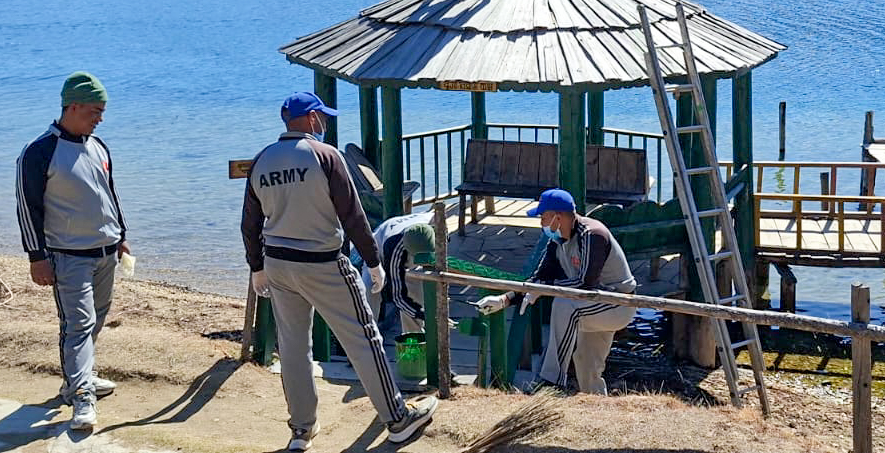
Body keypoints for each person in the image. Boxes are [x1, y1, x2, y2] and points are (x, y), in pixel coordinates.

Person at [241, 92, 437, 452]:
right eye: (323, 116)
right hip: (323, 263)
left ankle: (301, 431)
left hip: (279, 266)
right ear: (312, 118)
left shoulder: (262, 160)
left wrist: (257, 267)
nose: (325, 122)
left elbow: (249, 223)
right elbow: (353, 215)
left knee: (294, 347)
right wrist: (374, 261)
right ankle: (397, 420)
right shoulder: (325, 156)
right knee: (364, 339)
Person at [16, 71, 130, 431]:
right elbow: (26, 207)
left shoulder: (99, 146)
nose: (100, 117)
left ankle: (79, 377)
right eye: (95, 110)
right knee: (77, 324)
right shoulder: (39, 152)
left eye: (102, 111)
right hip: (68, 257)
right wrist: (36, 257)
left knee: (94, 320)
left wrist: (122, 235)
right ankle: (81, 395)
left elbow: (109, 194)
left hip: (106, 252)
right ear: (73, 106)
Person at [474, 188, 637, 395]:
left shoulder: (592, 234)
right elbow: (539, 279)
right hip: (590, 306)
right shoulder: (557, 241)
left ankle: (551, 381)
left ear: (557, 218)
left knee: (563, 305)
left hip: (618, 304)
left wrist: (544, 291)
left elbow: (585, 283)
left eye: (543, 217)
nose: (541, 223)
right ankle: (598, 410)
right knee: (587, 365)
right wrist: (504, 299)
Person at [368, 212, 437, 337]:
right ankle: (369, 341)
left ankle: (418, 340)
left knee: (415, 296)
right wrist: (423, 315)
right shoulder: (394, 247)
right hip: (377, 251)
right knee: (370, 297)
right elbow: (397, 296)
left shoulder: (437, 226)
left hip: (409, 231)